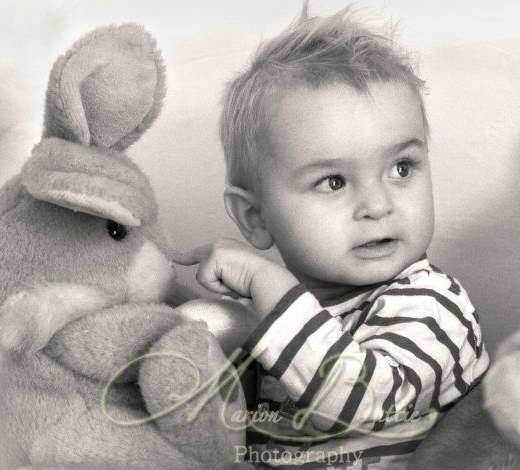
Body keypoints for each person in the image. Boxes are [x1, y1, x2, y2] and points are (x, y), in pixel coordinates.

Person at [175, 6, 489, 469]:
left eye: (401, 168)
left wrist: (264, 282)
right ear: (256, 218)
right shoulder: (272, 320)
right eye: (335, 182)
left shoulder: (433, 305)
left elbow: (357, 404)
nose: (378, 205)